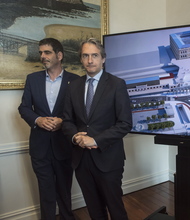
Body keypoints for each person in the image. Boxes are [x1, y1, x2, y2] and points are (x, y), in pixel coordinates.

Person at [62, 38, 132, 220]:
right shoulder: (73, 86)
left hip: (108, 159)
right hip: (81, 160)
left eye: (94, 55)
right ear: (81, 59)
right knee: (94, 210)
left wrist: (96, 140)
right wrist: (74, 136)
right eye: (85, 56)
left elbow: (125, 123)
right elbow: (67, 120)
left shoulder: (117, 84)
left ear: (103, 59)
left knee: (116, 209)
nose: (90, 60)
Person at [18, 38, 79, 220]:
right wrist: (38, 119)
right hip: (40, 146)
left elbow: (80, 113)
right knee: (46, 191)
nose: (42, 56)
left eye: (47, 52)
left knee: (64, 190)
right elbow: (24, 108)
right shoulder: (32, 79)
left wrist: (64, 121)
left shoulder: (75, 81)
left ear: (59, 55)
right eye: (41, 53)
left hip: (64, 146)